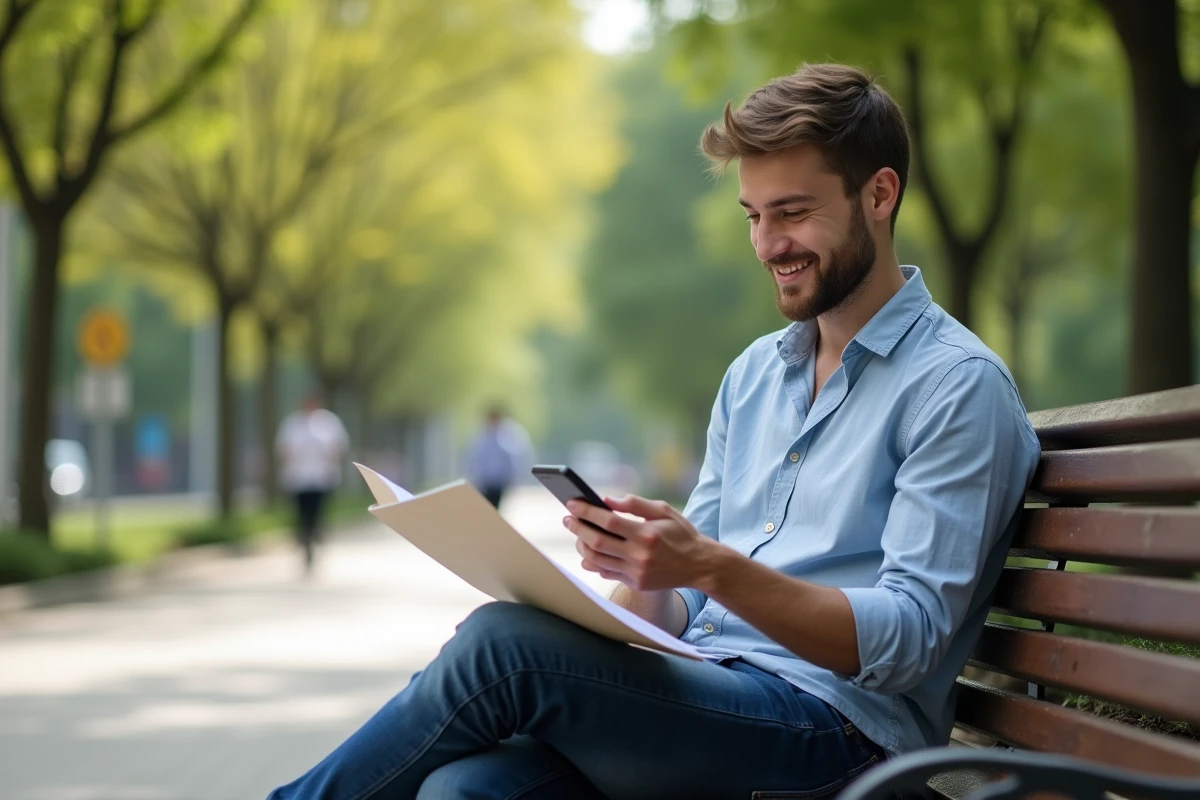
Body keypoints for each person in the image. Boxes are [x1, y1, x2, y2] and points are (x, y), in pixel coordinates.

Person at [267, 64, 1039, 799]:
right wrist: (632, 579)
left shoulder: (955, 387)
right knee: (467, 785)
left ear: (879, 195)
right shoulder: (754, 378)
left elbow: (908, 639)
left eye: (794, 212)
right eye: (755, 216)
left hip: (841, 741)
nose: (769, 245)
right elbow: (684, 606)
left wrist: (707, 568)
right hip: (717, 698)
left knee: (502, 651)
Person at [275, 392, 350, 574]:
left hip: (321, 478)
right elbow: (282, 448)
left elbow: (340, 446)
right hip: (298, 478)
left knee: (317, 512)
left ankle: (314, 537)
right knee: (301, 513)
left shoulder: (329, 422)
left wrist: (329, 456)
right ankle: (304, 541)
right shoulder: (292, 423)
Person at [463, 404, 533, 509]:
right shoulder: (481, 435)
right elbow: (475, 459)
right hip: (484, 481)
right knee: (485, 508)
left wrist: (513, 479)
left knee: (495, 507)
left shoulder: (508, 434)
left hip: (499, 481)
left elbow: (512, 459)